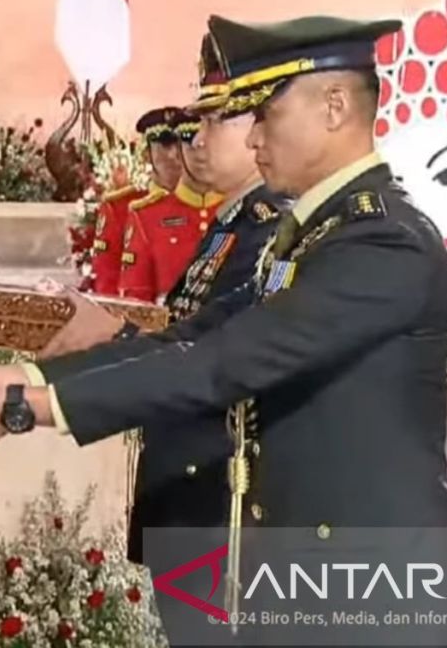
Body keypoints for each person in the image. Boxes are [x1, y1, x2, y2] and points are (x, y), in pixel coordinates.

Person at [0, 14, 447, 647]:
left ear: (334, 106)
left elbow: (223, 362)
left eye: (265, 115)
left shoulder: (382, 243)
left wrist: (23, 408)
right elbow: (189, 338)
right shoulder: (317, 235)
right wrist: (8, 379)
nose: (254, 138)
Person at [40, 33, 289, 646]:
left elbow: (215, 355)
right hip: (184, 488)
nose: (195, 140)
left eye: (215, 120)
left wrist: (43, 392)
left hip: (221, 503)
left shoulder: (272, 231)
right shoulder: (231, 224)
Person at [116, 108, 223, 302]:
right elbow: (136, 302)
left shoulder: (241, 208)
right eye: (190, 142)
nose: (202, 152)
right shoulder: (146, 217)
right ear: (178, 152)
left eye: (210, 142)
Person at [90, 107, 180, 295]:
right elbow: (107, 279)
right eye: (164, 145)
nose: (174, 155)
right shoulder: (119, 207)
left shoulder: (208, 204)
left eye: (180, 144)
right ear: (146, 153)